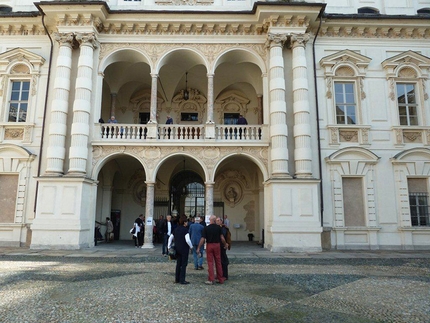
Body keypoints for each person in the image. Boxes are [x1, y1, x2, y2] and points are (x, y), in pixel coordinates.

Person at [197, 215, 228, 285]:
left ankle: (211, 279)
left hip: (209, 245)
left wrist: (199, 247)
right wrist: (225, 244)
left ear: (210, 220)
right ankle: (220, 278)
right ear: (215, 220)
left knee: (210, 262)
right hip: (217, 245)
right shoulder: (218, 228)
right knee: (218, 261)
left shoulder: (206, 228)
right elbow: (222, 237)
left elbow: (202, 239)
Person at [168, 215, 193, 285]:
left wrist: (168, 246)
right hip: (184, 249)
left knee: (178, 264)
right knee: (184, 264)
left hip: (177, 248)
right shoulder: (185, 230)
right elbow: (187, 240)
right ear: (184, 222)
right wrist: (191, 246)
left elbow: (170, 238)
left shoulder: (176, 229)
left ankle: (177, 278)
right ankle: (182, 279)